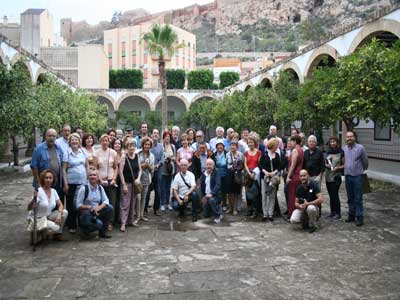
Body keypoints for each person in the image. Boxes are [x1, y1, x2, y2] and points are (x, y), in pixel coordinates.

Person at [28, 170, 68, 240]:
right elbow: (29, 208)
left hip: (48, 216)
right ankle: (40, 232)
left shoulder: (53, 191)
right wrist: (33, 199)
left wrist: (58, 215)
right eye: (46, 178)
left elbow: (60, 205)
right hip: (38, 218)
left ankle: (56, 234)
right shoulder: (39, 191)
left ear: (53, 180)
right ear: (43, 179)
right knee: (56, 227)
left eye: (50, 178)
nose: (48, 180)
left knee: (64, 212)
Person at [62, 133, 88, 233]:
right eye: (72, 140)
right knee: (71, 204)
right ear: (69, 141)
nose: (74, 141)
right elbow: (64, 169)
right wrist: (65, 183)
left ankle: (81, 223)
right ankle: (71, 225)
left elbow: (86, 166)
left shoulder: (82, 151)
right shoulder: (67, 152)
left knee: (80, 203)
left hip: (82, 182)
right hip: (71, 182)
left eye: (76, 140)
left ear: (79, 141)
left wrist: (87, 179)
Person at [76, 169, 113, 239]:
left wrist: (99, 207)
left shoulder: (100, 188)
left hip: (96, 212)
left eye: (94, 175)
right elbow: (78, 205)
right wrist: (90, 207)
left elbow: (106, 200)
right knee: (99, 224)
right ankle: (84, 231)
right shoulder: (83, 188)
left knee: (109, 208)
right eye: (90, 175)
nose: (92, 177)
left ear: (98, 177)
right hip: (86, 214)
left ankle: (102, 233)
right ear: (88, 177)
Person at [344, 131, 368, 226]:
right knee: (350, 198)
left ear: (354, 137)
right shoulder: (344, 148)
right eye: (347, 137)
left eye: (351, 136)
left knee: (358, 198)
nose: (349, 138)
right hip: (348, 176)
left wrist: (362, 170)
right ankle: (351, 215)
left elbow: (365, 161)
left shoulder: (360, 148)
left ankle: (359, 217)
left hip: (358, 176)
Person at [94, 134, 118, 230]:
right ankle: (100, 220)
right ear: (100, 142)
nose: (105, 142)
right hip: (100, 180)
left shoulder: (113, 153)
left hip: (111, 180)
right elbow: (96, 168)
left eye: (106, 140)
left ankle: (110, 222)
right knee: (100, 201)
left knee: (111, 202)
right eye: (103, 140)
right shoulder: (96, 153)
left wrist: (113, 179)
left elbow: (116, 168)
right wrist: (99, 180)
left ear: (109, 142)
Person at [31, 128, 64, 197]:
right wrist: (38, 183)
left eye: (54, 136)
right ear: (45, 137)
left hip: (56, 182)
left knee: (56, 202)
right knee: (44, 204)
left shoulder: (58, 148)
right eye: (49, 136)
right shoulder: (39, 149)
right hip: (43, 182)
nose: (51, 138)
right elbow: (34, 166)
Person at [119, 137, 142, 231]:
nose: (132, 148)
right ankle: (123, 223)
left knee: (133, 202)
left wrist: (138, 179)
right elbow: (120, 172)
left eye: (133, 146)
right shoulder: (124, 157)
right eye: (130, 146)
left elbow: (140, 169)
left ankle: (130, 221)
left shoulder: (137, 156)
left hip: (135, 184)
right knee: (125, 203)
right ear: (127, 147)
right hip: (127, 183)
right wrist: (123, 184)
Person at [259, 138, 282, 222]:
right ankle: (265, 214)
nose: (277, 147)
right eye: (276, 145)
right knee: (264, 195)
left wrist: (274, 172)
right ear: (272, 145)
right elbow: (260, 165)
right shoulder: (264, 154)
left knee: (272, 195)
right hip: (265, 177)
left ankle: (270, 214)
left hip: (273, 178)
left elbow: (279, 166)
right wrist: (265, 172)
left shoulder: (277, 155)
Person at [325, 136, 345, 220]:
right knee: (330, 195)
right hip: (328, 176)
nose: (332, 143)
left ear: (337, 142)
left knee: (335, 195)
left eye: (334, 141)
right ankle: (332, 212)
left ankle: (338, 213)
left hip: (336, 177)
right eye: (331, 142)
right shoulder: (327, 152)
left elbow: (344, 165)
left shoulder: (341, 152)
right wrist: (327, 165)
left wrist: (338, 168)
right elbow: (325, 164)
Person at [145, 129, 164, 216]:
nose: (155, 134)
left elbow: (162, 158)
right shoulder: (148, 145)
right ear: (151, 135)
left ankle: (156, 209)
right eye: (154, 133)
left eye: (157, 133)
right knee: (147, 190)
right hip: (149, 171)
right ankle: (144, 209)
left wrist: (158, 165)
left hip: (158, 170)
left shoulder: (161, 146)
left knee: (158, 190)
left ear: (159, 135)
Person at [243, 134, 261, 219]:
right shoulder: (246, 153)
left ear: (255, 143)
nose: (250, 144)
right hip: (247, 174)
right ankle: (249, 209)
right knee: (247, 193)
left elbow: (259, 164)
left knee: (255, 193)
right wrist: (248, 173)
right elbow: (245, 164)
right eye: (249, 142)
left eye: (251, 142)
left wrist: (253, 173)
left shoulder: (259, 152)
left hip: (255, 174)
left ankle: (255, 210)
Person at [286, 135, 304, 218]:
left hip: (294, 175)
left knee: (292, 195)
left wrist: (288, 176)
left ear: (295, 141)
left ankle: (292, 214)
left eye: (292, 141)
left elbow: (293, 165)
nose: (290, 143)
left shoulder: (295, 151)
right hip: (299, 174)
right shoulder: (301, 150)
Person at [201, 159, 222, 224]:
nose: (208, 166)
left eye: (210, 164)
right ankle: (215, 210)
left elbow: (218, 185)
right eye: (207, 164)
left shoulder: (216, 172)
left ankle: (218, 215)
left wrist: (211, 194)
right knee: (206, 215)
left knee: (211, 200)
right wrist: (203, 196)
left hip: (216, 196)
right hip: (206, 196)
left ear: (213, 165)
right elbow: (202, 186)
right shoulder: (203, 173)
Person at [226, 140, 244, 215]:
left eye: (234, 145)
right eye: (231, 145)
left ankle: (235, 209)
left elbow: (242, 165)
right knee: (229, 193)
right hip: (229, 174)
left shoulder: (240, 154)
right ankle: (230, 208)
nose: (232, 147)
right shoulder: (227, 154)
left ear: (237, 146)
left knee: (236, 193)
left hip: (237, 174)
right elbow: (226, 164)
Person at [139, 137, 155, 219]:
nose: (147, 146)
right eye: (146, 144)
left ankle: (141, 215)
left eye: (149, 144)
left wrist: (147, 165)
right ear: (143, 145)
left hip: (146, 179)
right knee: (137, 198)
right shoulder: (138, 153)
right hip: (138, 179)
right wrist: (143, 165)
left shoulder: (151, 155)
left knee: (143, 198)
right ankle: (137, 215)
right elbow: (136, 166)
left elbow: (152, 169)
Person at [160, 131, 176, 211]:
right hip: (163, 170)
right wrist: (165, 159)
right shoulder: (161, 146)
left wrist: (171, 159)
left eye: (169, 137)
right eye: (166, 136)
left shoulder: (172, 146)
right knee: (162, 187)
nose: (167, 138)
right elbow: (160, 157)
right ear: (163, 138)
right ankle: (162, 203)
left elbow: (175, 157)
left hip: (170, 169)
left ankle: (167, 203)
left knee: (168, 187)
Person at [214, 139, 229, 212]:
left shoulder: (227, 154)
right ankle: (218, 204)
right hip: (217, 175)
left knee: (224, 191)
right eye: (218, 146)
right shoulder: (214, 154)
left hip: (225, 175)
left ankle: (224, 204)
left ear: (223, 146)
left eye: (221, 145)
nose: (219, 147)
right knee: (217, 190)